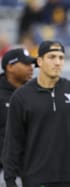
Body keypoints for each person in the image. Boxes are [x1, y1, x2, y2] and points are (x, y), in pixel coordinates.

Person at [2, 40, 70, 187]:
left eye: (61, 58)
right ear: (40, 61)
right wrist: (10, 179)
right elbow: (13, 142)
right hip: (36, 180)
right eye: (52, 57)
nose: (57, 62)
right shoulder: (22, 96)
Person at [0, 48, 35, 186]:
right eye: (26, 64)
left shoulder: (35, 94)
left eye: (31, 64)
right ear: (10, 67)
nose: (31, 68)